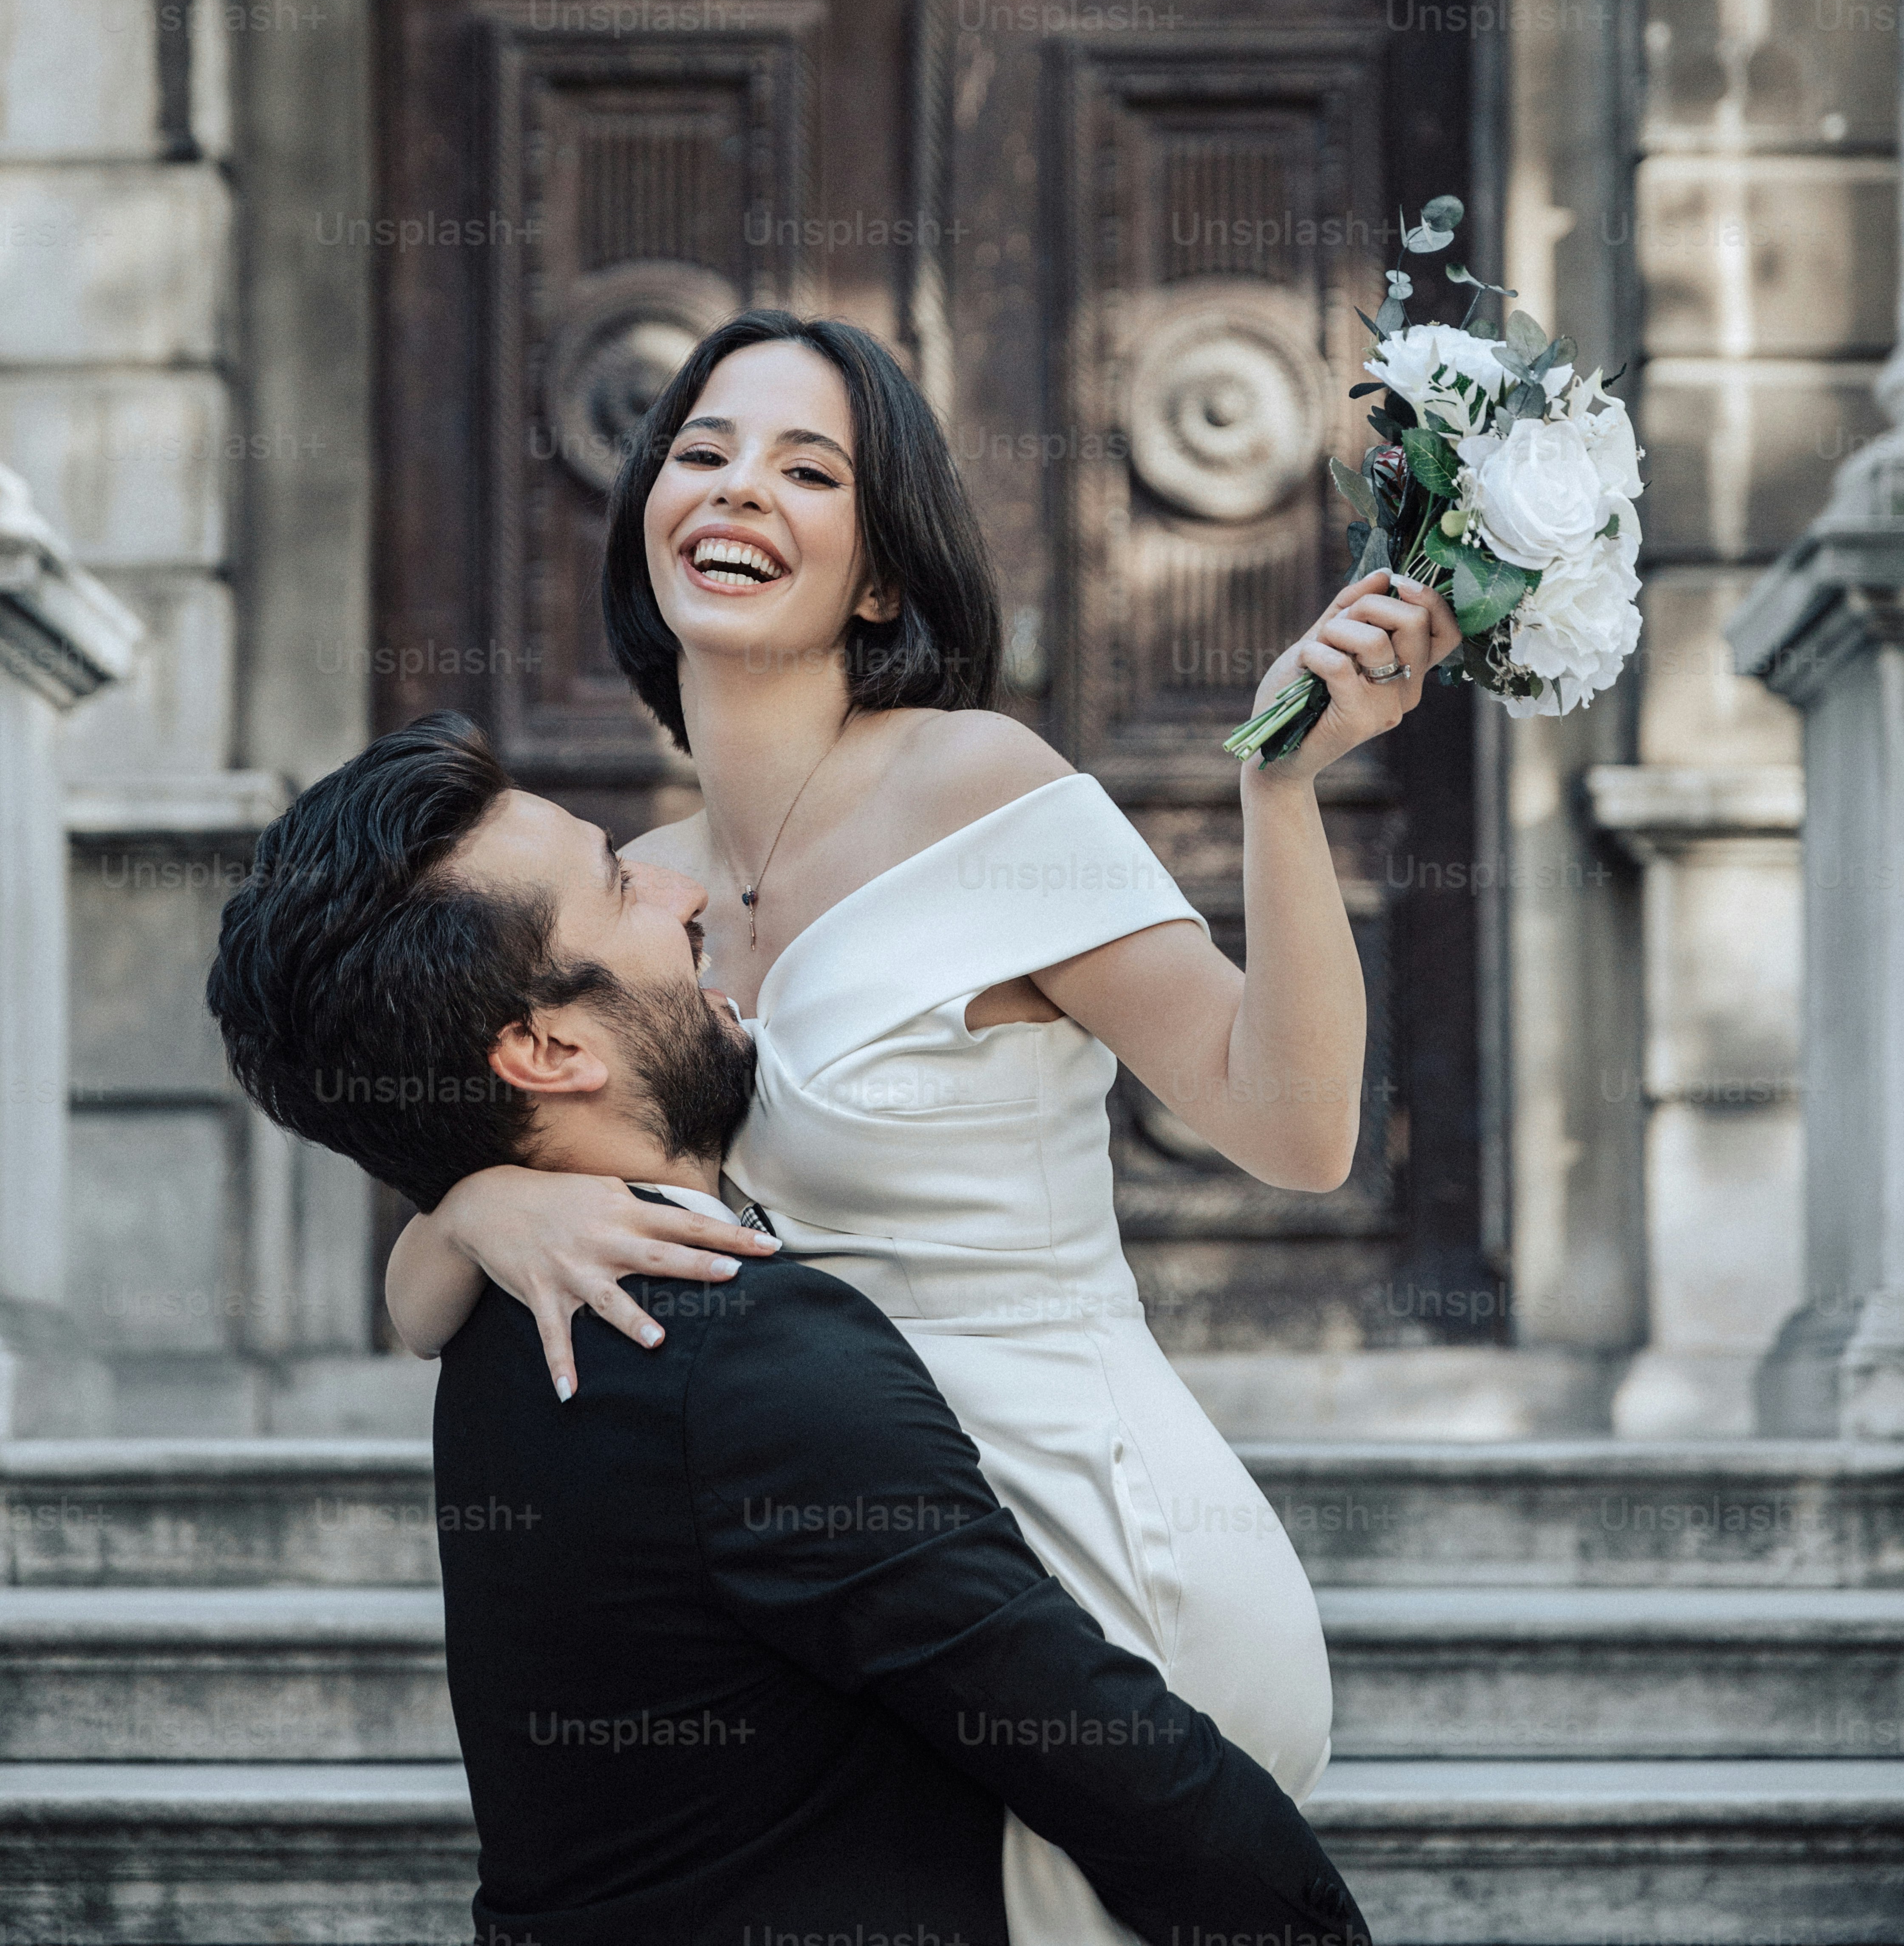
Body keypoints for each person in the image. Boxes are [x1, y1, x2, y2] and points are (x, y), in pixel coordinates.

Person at [384, 310, 1460, 1943]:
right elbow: (414, 1309)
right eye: (702, 451)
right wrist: (477, 1209)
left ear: (881, 576)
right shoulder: (640, 884)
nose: (738, 489)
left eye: (808, 469)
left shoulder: (981, 785)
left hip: (1093, 1571)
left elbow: (1296, 1129)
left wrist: (1284, 791)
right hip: (849, 1606)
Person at [206, 713, 1373, 1946]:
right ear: (548, 1049)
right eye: (620, 885)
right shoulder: (753, 1362)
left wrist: (469, 1207)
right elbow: (1129, 1781)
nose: (678, 886)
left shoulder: (498, 1322)